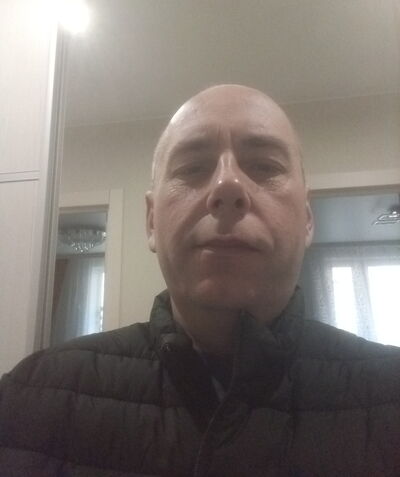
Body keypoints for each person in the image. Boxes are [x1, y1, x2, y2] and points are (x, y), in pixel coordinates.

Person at [0, 84, 399, 477]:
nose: (227, 186)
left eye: (265, 166)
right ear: (152, 221)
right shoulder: (26, 397)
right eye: (192, 168)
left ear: (307, 219)